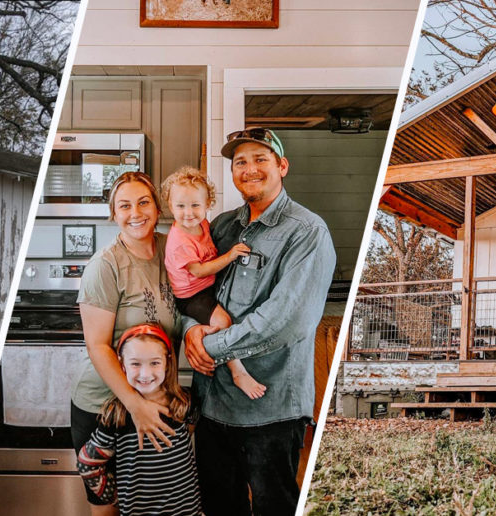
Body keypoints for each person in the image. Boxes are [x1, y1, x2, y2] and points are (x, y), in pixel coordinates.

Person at [184, 128, 336, 516]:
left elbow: (288, 321)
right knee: (220, 507)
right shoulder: (219, 227)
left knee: (274, 507)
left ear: (282, 166)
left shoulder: (307, 232)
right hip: (213, 404)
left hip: (270, 409)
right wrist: (189, 333)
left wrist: (209, 346)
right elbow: (191, 290)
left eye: (260, 159)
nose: (249, 169)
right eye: (240, 162)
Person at [71, 172, 179, 516]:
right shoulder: (105, 266)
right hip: (105, 403)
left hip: (153, 399)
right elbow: (99, 347)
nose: (136, 212)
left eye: (143, 202)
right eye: (125, 205)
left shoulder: (173, 249)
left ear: (157, 207)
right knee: (109, 505)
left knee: (150, 502)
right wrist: (134, 405)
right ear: (114, 214)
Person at [161, 166, 265, 399]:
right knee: (224, 320)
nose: (188, 213)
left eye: (195, 205)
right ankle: (237, 371)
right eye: (180, 206)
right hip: (191, 296)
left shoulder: (203, 225)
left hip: (206, 288)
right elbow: (199, 271)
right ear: (170, 206)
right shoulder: (180, 240)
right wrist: (229, 256)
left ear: (208, 204)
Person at [77, 323, 202, 516]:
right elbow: (87, 462)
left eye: (155, 363)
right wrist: (115, 498)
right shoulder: (117, 415)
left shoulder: (185, 403)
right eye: (135, 363)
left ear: (168, 362)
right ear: (121, 364)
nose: (145, 374)